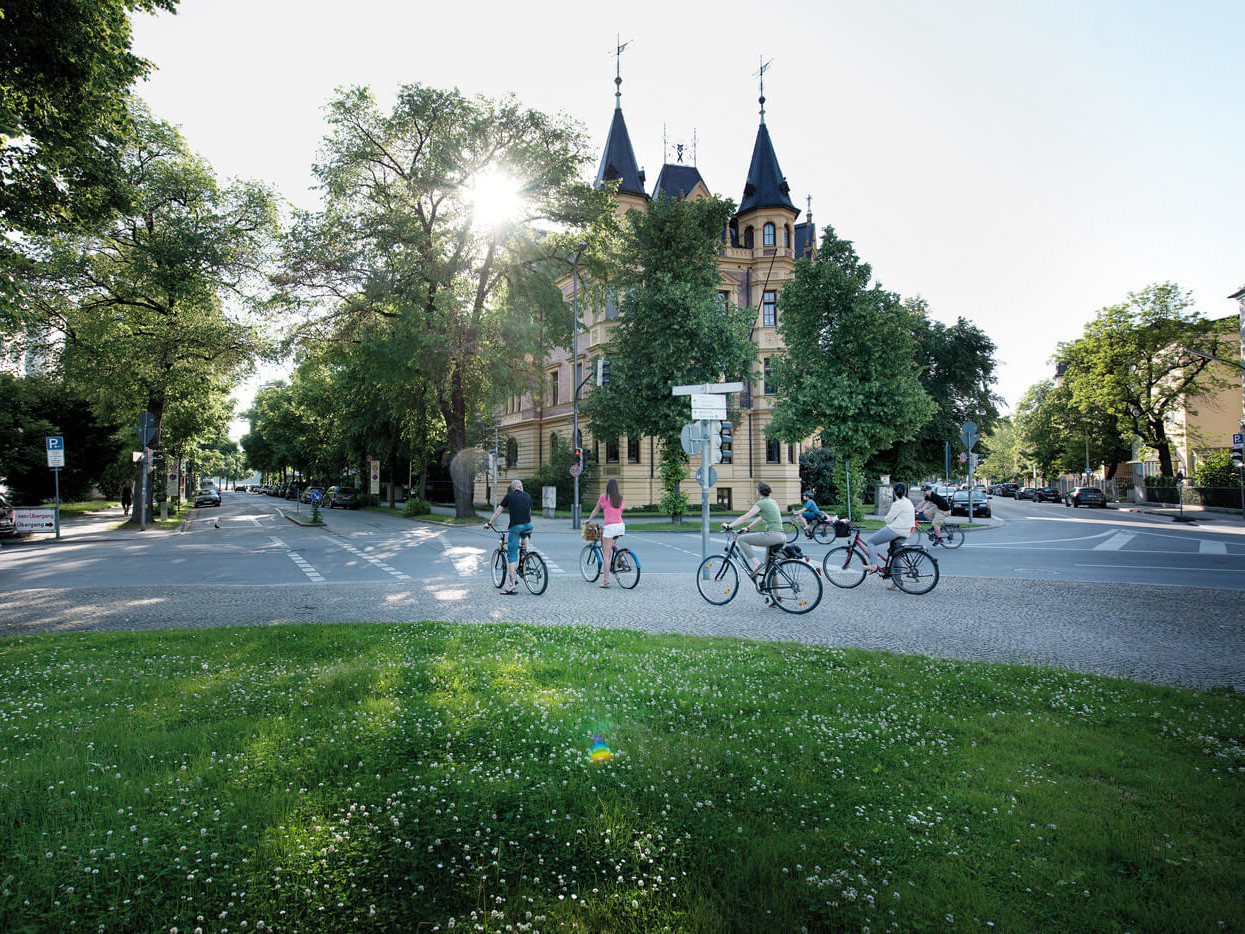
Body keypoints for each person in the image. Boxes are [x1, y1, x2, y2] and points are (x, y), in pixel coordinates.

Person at [724, 482, 786, 581]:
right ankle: (776, 595)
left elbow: (745, 517)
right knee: (770, 568)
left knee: (741, 539)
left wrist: (729, 526)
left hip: (772, 535)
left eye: (756, 489)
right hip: (781, 536)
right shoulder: (772, 501)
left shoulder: (761, 503)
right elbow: (761, 518)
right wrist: (748, 528)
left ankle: (757, 564)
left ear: (759, 492)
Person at [485, 479, 533, 595]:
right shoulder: (527, 496)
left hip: (515, 527)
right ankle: (527, 556)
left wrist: (489, 524)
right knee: (525, 535)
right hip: (528, 525)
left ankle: (511, 585)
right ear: (521, 487)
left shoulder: (509, 496)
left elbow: (498, 512)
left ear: (513, 488)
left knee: (511, 555)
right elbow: (529, 511)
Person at [866, 482, 915, 583]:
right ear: (905, 491)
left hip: (896, 530)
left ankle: (873, 565)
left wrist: (889, 518)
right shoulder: (908, 502)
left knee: (871, 541)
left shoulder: (897, 504)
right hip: (906, 532)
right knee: (896, 555)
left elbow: (888, 519)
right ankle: (897, 581)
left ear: (893, 492)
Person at [585, 477, 626, 587]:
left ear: (607, 486)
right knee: (612, 542)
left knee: (606, 555)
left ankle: (606, 580)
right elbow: (619, 512)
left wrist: (589, 520)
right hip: (620, 526)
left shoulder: (604, 497)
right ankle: (621, 556)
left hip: (610, 527)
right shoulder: (621, 498)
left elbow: (596, 510)